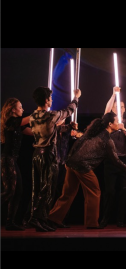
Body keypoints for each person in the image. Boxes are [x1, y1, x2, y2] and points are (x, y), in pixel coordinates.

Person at [48, 112, 126, 229]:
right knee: (94, 192)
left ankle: (53, 218)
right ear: (110, 124)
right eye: (117, 121)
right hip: (83, 166)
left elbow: (77, 144)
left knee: (68, 193)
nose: (119, 123)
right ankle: (91, 223)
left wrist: (68, 161)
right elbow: (116, 161)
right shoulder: (107, 140)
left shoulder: (93, 133)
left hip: (71, 163)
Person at [27, 86, 81, 232]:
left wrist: (67, 127)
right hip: (48, 155)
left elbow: (49, 130)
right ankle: (36, 218)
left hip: (36, 154)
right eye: (50, 98)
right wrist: (76, 97)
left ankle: (40, 219)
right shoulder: (51, 115)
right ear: (46, 100)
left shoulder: (32, 116)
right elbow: (69, 110)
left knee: (37, 188)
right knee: (48, 189)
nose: (51, 100)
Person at [99, 86, 126, 228]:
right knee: (109, 191)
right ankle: (105, 219)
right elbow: (106, 111)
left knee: (124, 191)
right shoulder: (109, 123)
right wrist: (114, 94)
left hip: (125, 161)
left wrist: (123, 128)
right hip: (111, 161)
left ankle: (120, 219)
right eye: (118, 106)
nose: (121, 108)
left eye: (123, 106)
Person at [1, 98, 33, 231]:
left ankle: (10, 222)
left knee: (17, 191)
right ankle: (10, 222)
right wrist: (41, 112)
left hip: (13, 160)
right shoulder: (11, 122)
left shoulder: (17, 124)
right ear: (13, 110)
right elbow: (31, 118)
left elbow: (33, 132)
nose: (23, 109)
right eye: (20, 107)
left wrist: (56, 126)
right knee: (9, 192)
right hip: (7, 160)